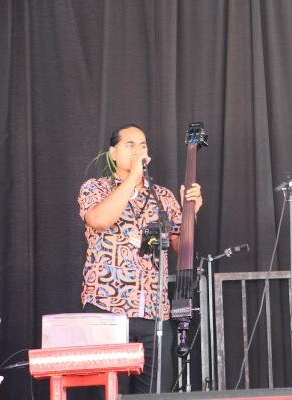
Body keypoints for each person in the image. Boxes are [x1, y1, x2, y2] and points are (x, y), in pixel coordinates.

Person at [77, 123, 202, 393]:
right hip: (107, 310)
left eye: (142, 145)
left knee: (153, 394)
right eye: (129, 145)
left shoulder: (164, 197)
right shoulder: (95, 188)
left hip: (154, 315)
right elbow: (99, 219)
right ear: (112, 154)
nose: (138, 150)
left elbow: (184, 251)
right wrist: (133, 179)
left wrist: (191, 212)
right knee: (111, 394)